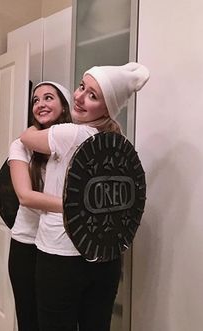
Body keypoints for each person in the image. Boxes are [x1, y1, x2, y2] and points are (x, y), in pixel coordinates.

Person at [20, 62, 150, 331]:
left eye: (93, 95)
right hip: (105, 256)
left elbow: (26, 138)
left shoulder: (71, 132)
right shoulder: (118, 141)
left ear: (107, 107)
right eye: (81, 87)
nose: (78, 97)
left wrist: (36, 126)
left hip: (60, 257)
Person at [8, 81, 71, 331]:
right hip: (27, 244)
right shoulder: (20, 145)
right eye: (36, 100)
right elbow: (25, 196)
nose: (41, 104)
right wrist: (79, 209)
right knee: (29, 318)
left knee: (57, 320)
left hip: (61, 245)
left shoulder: (73, 142)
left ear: (63, 105)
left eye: (48, 98)